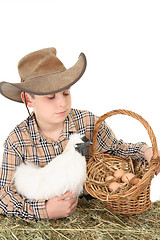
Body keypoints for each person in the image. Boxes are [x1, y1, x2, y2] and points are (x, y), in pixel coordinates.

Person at [0, 47, 159, 220]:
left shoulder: (87, 122)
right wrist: (43, 210)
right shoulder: (17, 141)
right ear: (28, 99)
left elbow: (116, 149)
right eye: (51, 97)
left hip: (89, 208)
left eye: (66, 92)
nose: (62, 103)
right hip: (46, 215)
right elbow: (3, 196)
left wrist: (146, 151)